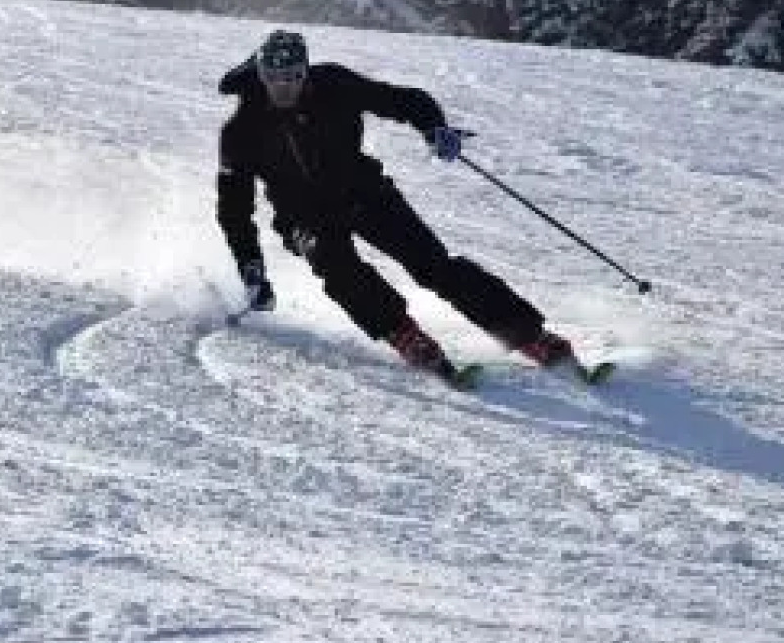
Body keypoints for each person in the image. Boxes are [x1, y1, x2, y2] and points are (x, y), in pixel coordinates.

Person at [215, 29, 577, 386]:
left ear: (306, 71)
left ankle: (529, 336)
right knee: (337, 266)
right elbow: (234, 210)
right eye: (274, 78)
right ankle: (402, 333)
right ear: (261, 75)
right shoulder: (240, 131)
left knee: (433, 265)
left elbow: (405, 100)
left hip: (364, 192)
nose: (284, 87)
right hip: (303, 216)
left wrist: (434, 128)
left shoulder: (334, 84)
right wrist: (252, 267)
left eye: (293, 77)